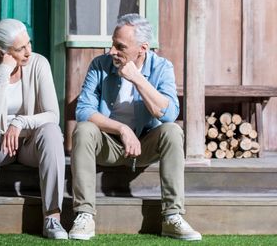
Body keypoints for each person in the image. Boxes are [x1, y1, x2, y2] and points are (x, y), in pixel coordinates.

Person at [69, 13, 202, 241]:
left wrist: (138, 79)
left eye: (120, 47)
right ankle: (84, 214)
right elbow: (83, 111)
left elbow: (169, 114)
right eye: (112, 44)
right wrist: (122, 129)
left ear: (142, 48)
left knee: (172, 132)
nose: (112, 51)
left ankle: (172, 216)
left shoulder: (162, 67)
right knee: (83, 130)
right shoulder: (100, 65)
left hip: (144, 146)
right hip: (108, 145)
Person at [0, 19, 68, 240]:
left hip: (31, 145)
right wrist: (3, 73)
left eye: (29, 44)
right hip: (1, 147)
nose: (28, 52)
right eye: (21, 49)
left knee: (51, 131)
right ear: (4, 51)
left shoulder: (39, 63)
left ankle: (53, 218)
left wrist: (18, 122)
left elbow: (53, 115)